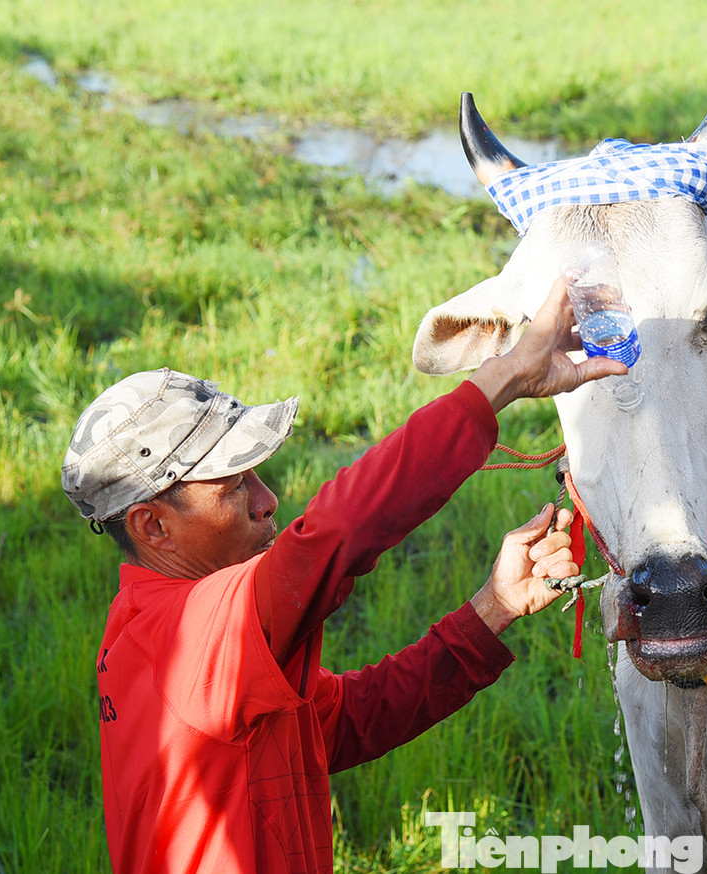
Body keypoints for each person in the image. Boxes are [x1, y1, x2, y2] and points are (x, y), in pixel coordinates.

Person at [61, 280, 624, 874]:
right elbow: (340, 533)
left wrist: (493, 606)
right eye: (233, 487)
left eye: (256, 475)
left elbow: (344, 722)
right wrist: (505, 377)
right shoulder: (187, 638)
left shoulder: (177, 637)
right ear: (152, 527)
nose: (268, 500)